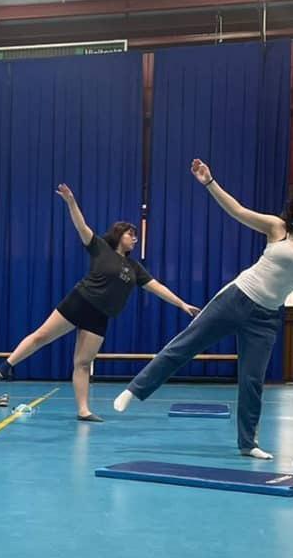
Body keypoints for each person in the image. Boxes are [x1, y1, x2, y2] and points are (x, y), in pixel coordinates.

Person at [114, 159, 293, 460]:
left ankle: (248, 443)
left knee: (252, 380)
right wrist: (209, 182)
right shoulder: (278, 228)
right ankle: (135, 389)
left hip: (266, 317)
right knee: (187, 344)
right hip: (238, 297)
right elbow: (237, 211)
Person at [0, 184, 200, 422]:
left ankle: (83, 410)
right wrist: (71, 202)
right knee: (41, 336)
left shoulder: (134, 268)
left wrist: (181, 304)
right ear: (119, 235)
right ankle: (6, 366)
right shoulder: (100, 247)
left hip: (100, 316)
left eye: (136, 236)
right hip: (80, 301)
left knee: (83, 363)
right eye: (130, 234)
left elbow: (157, 287)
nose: (134, 238)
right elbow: (81, 225)